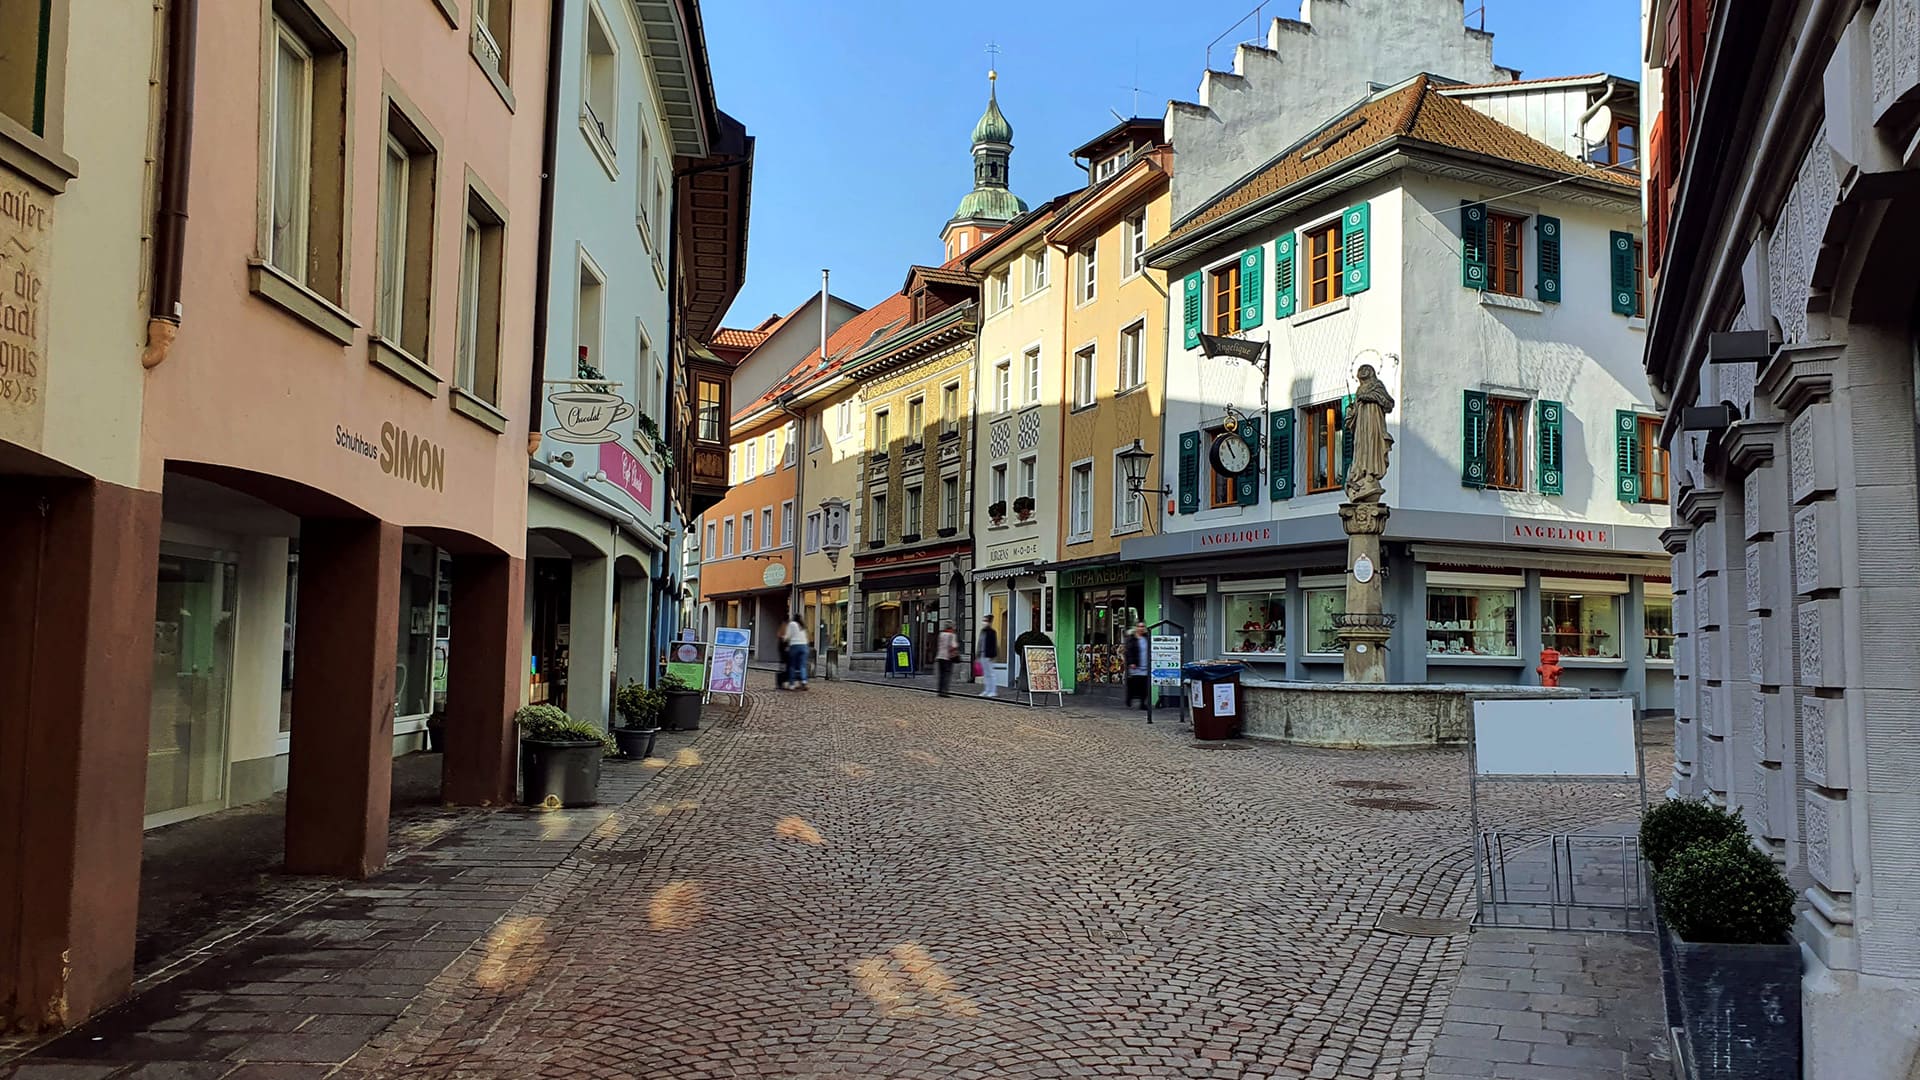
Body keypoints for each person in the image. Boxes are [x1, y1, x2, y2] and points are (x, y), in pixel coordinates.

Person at [1124, 621, 1150, 711]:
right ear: (1136, 628)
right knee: (1134, 684)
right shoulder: (1132, 639)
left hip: (1145, 665)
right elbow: (1128, 651)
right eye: (1139, 626)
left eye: (1142, 626)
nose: (1141, 628)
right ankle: (1130, 697)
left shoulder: (1146, 638)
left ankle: (1142, 703)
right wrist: (1131, 662)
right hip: (1135, 666)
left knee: (1144, 686)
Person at [783, 612, 810, 691]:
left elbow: (788, 635)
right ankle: (804, 681)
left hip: (795, 645)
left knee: (792, 665)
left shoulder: (792, 624)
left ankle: (792, 684)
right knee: (802, 665)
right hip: (804, 646)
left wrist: (784, 639)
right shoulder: (802, 625)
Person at [934, 621, 960, 696]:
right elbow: (953, 645)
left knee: (941, 675)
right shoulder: (952, 635)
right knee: (947, 674)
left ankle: (939, 690)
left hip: (940, 656)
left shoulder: (941, 634)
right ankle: (945, 691)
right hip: (948, 657)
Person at [977, 615, 999, 697]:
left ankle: (993, 691)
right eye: (984, 620)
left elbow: (994, 645)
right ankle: (987, 690)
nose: (984, 622)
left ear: (989, 622)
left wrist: (992, 656)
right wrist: (978, 653)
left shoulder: (992, 632)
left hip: (989, 655)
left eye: (986, 621)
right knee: (986, 674)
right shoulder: (983, 631)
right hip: (983, 654)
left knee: (991, 674)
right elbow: (980, 643)